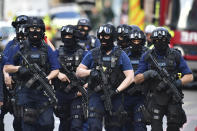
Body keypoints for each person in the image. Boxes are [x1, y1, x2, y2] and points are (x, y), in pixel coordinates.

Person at [4, 17, 60, 131]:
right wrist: (20, 69)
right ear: (27, 30)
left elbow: (56, 69)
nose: (35, 31)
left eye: (38, 29)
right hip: (25, 92)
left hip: (43, 93)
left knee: (47, 124)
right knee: (28, 125)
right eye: (32, 28)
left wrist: (46, 78)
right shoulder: (19, 48)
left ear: (42, 30)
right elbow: (7, 67)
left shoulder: (47, 49)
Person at [76, 24, 134, 131]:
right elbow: (79, 71)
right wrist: (91, 72)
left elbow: (130, 76)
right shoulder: (93, 53)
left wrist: (117, 91)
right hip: (96, 95)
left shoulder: (120, 54)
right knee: (94, 125)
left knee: (114, 126)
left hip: (114, 95)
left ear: (112, 37)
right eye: (101, 36)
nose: (103, 39)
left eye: (106, 36)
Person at [135, 27, 193, 131]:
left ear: (168, 40)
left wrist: (178, 83)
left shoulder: (175, 55)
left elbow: (189, 76)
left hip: (173, 97)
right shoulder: (147, 56)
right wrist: (148, 74)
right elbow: (136, 79)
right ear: (152, 40)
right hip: (155, 98)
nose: (160, 43)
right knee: (156, 128)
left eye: (163, 40)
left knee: (174, 127)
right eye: (156, 40)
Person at [54, 25, 87, 131]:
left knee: (76, 126)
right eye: (65, 35)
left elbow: (94, 72)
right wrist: (58, 73)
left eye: (70, 35)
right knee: (64, 124)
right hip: (61, 94)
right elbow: (47, 68)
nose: (67, 38)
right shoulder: (57, 53)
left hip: (78, 95)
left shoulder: (84, 54)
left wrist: (86, 86)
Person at [1, 15, 29, 131]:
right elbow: (4, 65)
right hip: (15, 87)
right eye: (18, 26)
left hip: (33, 88)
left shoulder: (37, 44)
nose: (21, 29)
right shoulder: (11, 45)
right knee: (18, 120)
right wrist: (7, 75)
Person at [123, 25, 147, 131]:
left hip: (142, 95)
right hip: (125, 95)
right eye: (134, 40)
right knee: (125, 124)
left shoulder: (148, 54)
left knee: (140, 124)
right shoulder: (122, 54)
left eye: (138, 41)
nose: (136, 43)